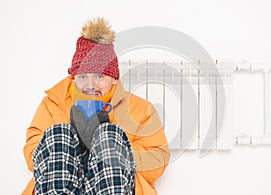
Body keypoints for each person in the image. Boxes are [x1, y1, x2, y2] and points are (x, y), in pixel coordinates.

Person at [23, 18, 170, 195]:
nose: (90, 85)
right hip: (60, 184)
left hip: (112, 187)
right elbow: (32, 154)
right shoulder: (53, 104)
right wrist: (75, 146)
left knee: (109, 137)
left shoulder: (140, 109)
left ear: (114, 78)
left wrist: (106, 148)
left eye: (99, 76)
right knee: (59, 134)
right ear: (73, 77)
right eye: (83, 76)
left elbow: (157, 159)